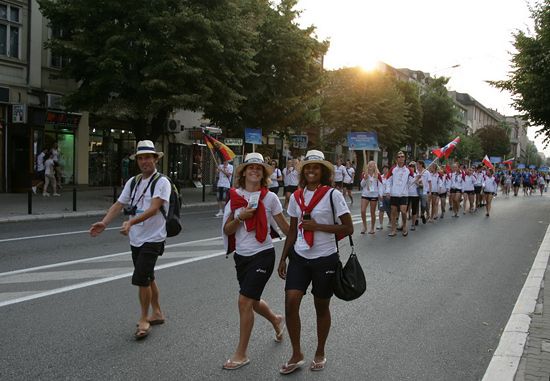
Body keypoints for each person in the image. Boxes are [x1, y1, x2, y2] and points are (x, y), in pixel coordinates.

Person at [278, 150, 353, 374]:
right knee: (291, 302)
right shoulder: (296, 197)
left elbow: (348, 228)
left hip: (325, 258)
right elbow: (292, 230)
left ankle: (320, 350)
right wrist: (283, 258)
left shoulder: (333, 195)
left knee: (321, 306)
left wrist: (317, 226)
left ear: (323, 172)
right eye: (308, 167)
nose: (311, 170)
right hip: (300, 256)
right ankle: (296, 353)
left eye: (316, 167)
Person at [89, 140, 169, 340]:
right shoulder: (133, 182)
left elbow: (154, 208)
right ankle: (157, 312)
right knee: (148, 276)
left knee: (141, 278)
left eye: (147, 157)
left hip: (154, 237)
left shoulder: (162, 182)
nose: (144, 162)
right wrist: (104, 222)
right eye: (140, 158)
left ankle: (144, 319)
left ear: (155, 159)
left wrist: (131, 222)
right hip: (136, 238)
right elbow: (118, 204)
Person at [221, 153, 289, 370]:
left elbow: (285, 228)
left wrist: (305, 241)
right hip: (242, 257)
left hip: (264, 254)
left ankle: (241, 354)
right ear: (243, 173)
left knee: (244, 301)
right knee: (252, 299)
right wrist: (241, 217)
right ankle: (277, 320)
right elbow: (227, 229)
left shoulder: (270, 198)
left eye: (259, 169)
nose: (254, 171)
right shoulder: (235, 197)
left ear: (263, 174)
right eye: (250, 168)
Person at [385, 151, 413, 237]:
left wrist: (416, 178)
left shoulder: (408, 170)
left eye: (402, 157)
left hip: (404, 194)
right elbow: (388, 181)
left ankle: (404, 226)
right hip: (394, 194)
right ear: (396, 159)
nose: (401, 158)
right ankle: (393, 230)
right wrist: (388, 191)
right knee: (393, 212)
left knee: (403, 211)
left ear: (404, 158)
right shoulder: (393, 169)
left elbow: (412, 181)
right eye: (399, 157)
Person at [360, 160, 383, 234]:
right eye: (369, 164)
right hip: (365, 194)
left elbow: (380, 185)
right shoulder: (364, 174)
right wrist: (364, 178)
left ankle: (372, 228)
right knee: (363, 211)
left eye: (372, 165)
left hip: (374, 195)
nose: (370, 166)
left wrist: (380, 194)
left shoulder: (377, 175)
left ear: (374, 166)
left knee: (372, 212)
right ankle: (364, 226)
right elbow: (362, 185)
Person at [407, 161, 420, 231]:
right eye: (410, 166)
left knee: (414, 210)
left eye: (412, 167)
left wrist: (417, 180)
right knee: (405, 210)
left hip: (415, 194)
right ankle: (403, 224)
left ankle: (413, 224)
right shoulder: (407, 175)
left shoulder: (417, 175)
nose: (411, 168)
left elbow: (420, 185)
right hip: (407, 194)